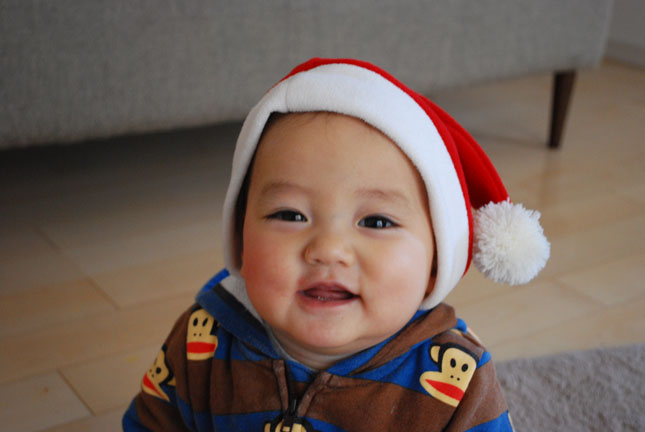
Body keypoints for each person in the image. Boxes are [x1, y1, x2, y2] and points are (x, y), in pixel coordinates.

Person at [123, 58, 550, 431]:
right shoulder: (203, 340)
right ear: (238, 241)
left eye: (376, 221)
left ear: (436, 264)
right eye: (290, 215)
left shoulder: (456, 383)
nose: (328, 249)